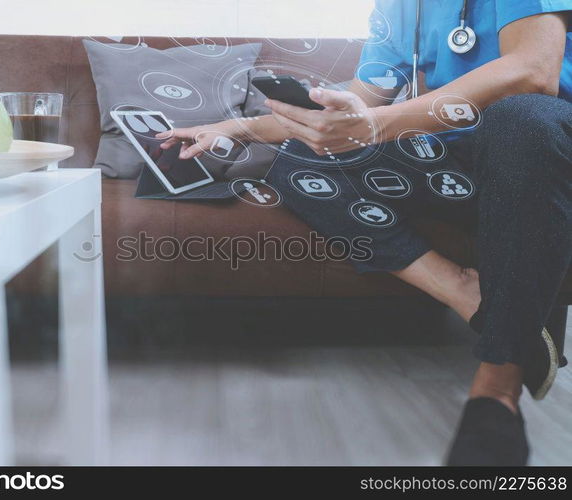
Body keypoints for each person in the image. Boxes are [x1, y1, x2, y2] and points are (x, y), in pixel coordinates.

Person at [158, 0, 572, 465]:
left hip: (542, 149)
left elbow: (534, 73)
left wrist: (373, 126)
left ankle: (496, 391)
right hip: (453, 159)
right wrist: (238, 126)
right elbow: (365, 99)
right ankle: (469, 294)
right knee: (301, 157)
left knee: (523, 118)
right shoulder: (398, 8)